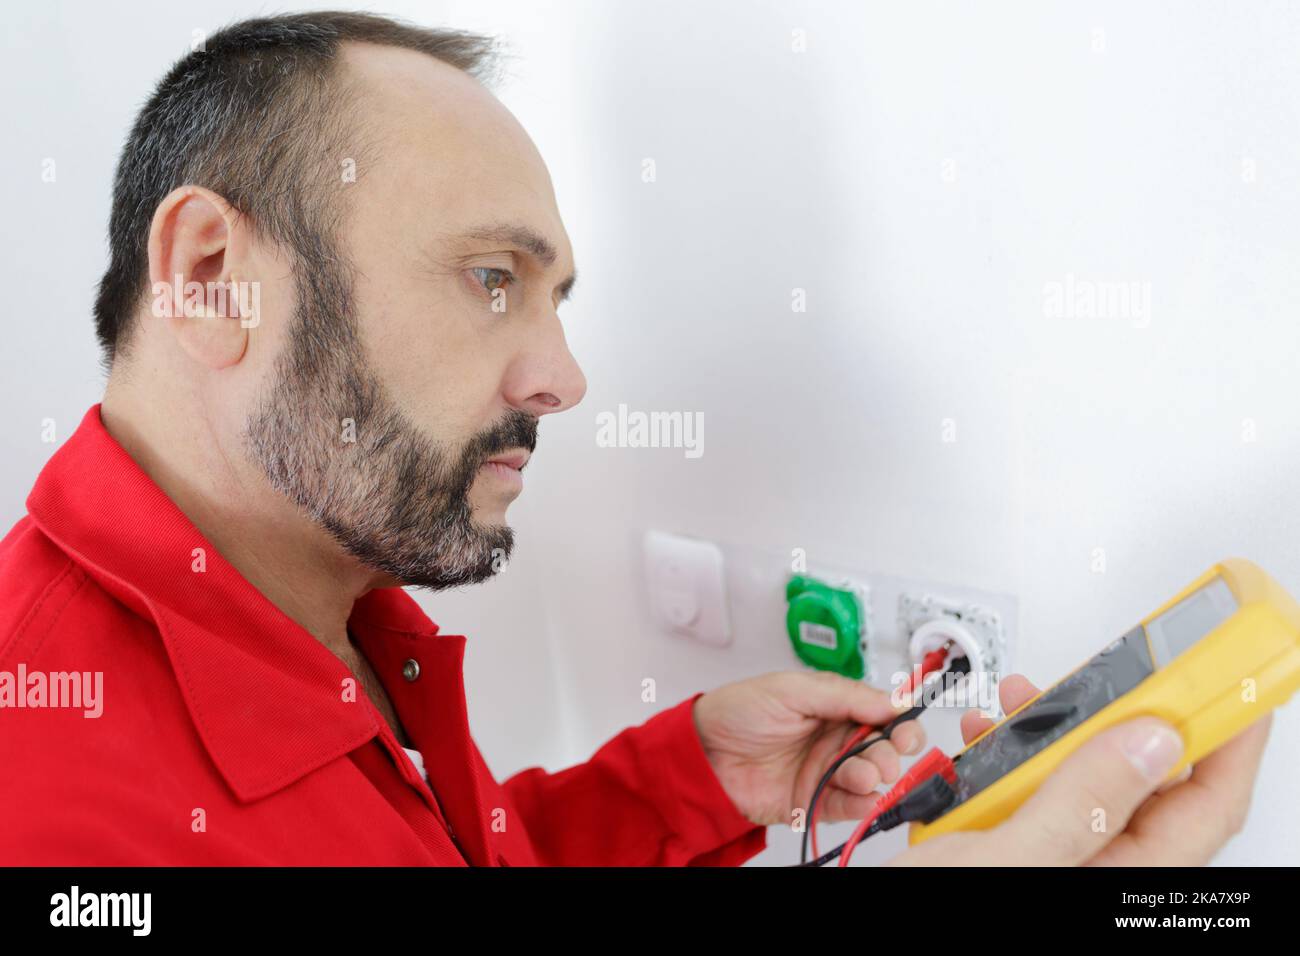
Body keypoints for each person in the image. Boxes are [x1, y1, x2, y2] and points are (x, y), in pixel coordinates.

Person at [0, 11, 1268, 866]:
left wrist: (685, 782)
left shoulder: (327, 606)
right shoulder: (47, 793)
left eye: (557, 302)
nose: (561, 378)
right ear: (214, 273)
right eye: (492, 277)